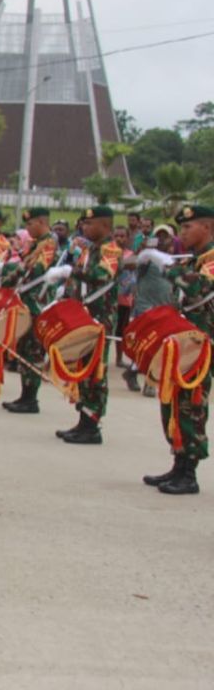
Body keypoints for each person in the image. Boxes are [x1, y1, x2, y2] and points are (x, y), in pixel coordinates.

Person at [135, 206, 214, 495]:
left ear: (206, 227)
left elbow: (200, 289)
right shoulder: (196, 259)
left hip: (201, 347)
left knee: (191, 405)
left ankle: (189, 473)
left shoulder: (211, 259)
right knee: (173, 402)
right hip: (183, 341)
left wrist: (167, 266)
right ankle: (178, 464)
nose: (182, 234)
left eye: (187, 228)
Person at [54, 206, 123, 445]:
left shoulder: (110, 249)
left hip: (100, 317)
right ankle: (83, 420)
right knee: (83, 367)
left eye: (90, 223)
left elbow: (103, 275)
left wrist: (71, 271)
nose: (84, 227)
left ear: (105, 226)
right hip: (83, 316)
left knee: (95, 371)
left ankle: (92, 424)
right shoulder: (89, 249)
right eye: (84, 223)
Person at [0, 207, 58, 414]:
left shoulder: (49, 244)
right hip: (26, 304)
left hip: (37, 305)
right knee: (24, 349)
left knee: (33, 351)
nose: (27, 228)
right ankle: (25, 396)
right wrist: (3, 279)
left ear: (41, 222)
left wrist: (12, 273)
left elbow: (37, 270)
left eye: (29, 224)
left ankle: (30, 398)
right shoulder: (37, 245)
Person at [126, 225, 177, 398]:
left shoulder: (175, 259)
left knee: (159, 346)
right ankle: (143, 378)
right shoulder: (146, 258)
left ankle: (136, 374)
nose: (162, 240)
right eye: (158, 236)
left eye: (166, 236)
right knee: (147, 343)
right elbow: (127, 265)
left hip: (165, 307)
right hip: (145, 306)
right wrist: (142, 251)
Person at [112, 225, 137, 380]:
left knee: (122, 328)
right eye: (117, 236)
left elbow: (133, 270)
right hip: (110, 298)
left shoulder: (131, 254)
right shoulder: (108, 253)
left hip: (125, 298)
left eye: (123, 236)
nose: (120, 239)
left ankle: (119, 357)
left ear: (128, 238)